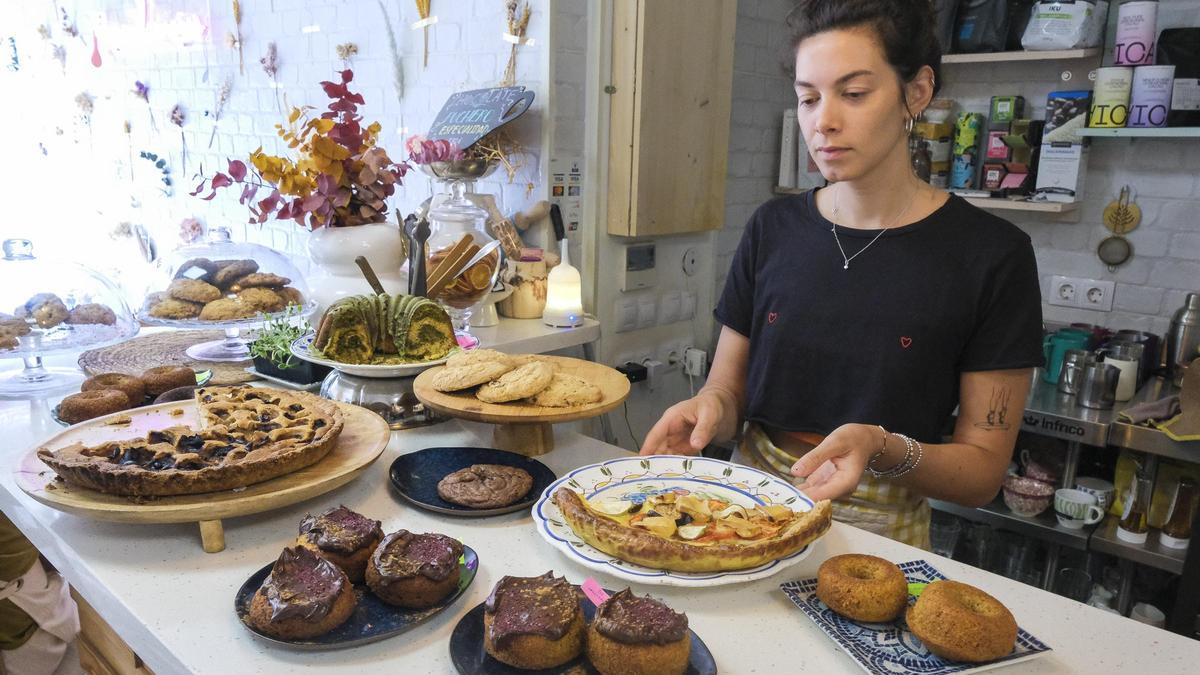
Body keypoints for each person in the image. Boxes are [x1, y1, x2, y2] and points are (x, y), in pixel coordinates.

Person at [640, 0, 1043, 549]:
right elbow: (728, 390)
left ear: (917, 92)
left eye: (854, 94)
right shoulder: (773, 228)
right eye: (808, 98)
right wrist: (709, 409)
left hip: (876, 533)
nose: (823, 121)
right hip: (740, 505)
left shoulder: (992, 255)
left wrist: (880, 447)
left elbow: (980, 474)